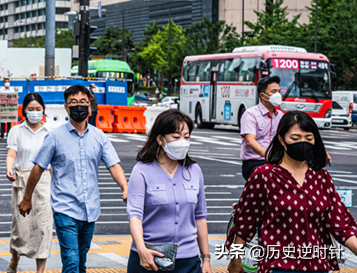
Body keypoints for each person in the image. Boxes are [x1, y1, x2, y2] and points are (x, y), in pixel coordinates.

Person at [227, 111, 357, 273]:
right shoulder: (265, 176)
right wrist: (235, 258)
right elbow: (246, 222)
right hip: (278, 267)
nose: (303, 143)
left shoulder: (322, 178)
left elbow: (340, 225)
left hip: (318, 266)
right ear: (281, 140)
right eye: (295, 139)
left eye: (309, 138)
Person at [19, 84, 128, 273]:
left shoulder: (99, 136)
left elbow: (113, 165)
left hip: (90, 209)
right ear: (66, 107)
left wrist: (125, 188)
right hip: (65, 208)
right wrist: (27, 198)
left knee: (81, 261)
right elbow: (38, 168)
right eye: (74, 102)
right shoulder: (55, 137)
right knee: (71, 260)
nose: (79, 106)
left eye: (83, 102)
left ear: (90, 105)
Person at [127, 109, 210, 273]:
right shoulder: (142, 171)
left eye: (187, 137)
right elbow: (135, 216)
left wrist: (206, 258)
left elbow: (200, 217)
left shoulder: (194, 170)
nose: (183, 142)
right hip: (150, 259)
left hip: (189, 261)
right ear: (160, 139)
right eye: (176, 137)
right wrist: (142, 250)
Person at [5, 93, 51, 273]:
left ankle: (40, 270)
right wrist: (9, 168)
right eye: (30, 109)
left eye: (38, 109)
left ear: (43, 110)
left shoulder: (50, 132)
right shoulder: (16, 130)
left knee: (44, 227)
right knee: (20, 227)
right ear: (24, 110)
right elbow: (12, 154)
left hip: (44, 183)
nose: (34, 113)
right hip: (22, 180)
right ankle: (15, 258)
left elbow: (53, 162)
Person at [239, 76, 284, 180]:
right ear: (262, 96)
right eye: (273, 91)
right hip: (255, 162)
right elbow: (250, 141)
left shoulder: (281, 116)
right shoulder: (251, 114)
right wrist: (268, 156)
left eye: (279, 91)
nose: (278, 95)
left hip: (276, 161)